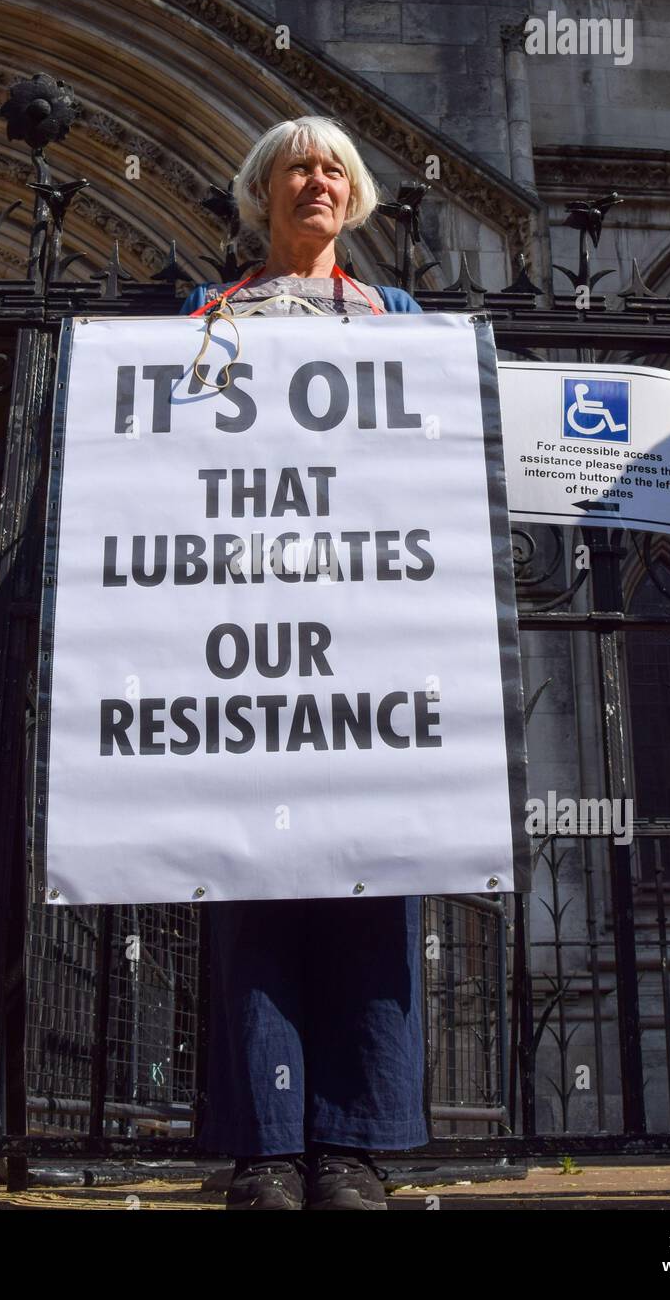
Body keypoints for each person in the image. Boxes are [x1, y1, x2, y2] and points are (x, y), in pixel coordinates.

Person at [178, 116, 428, 1211]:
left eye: (334, 168)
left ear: (354, 197)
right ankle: (270, 1146)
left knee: (367, 884)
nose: (317, 181)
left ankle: (353, 1147)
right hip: (245, 640)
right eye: (296, 168)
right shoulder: (208, 319)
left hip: (366, 635)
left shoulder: (399, 318)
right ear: (261, 195)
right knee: (252, 887)